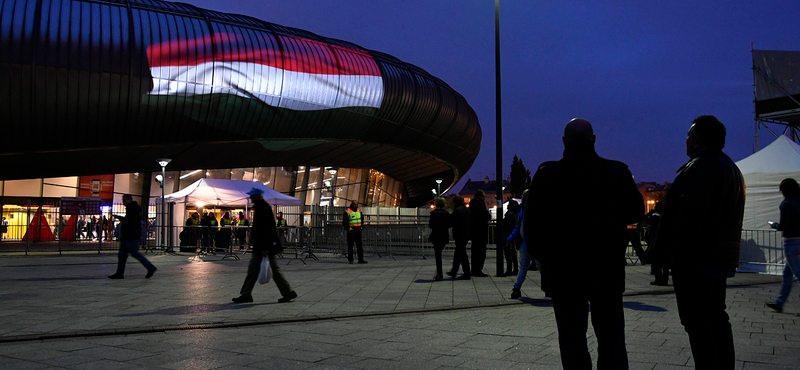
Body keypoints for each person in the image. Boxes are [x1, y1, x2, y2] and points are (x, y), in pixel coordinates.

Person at [524, 118, 643, 369]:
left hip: (564, 272)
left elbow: (532, 227)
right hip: (606, 269)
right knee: (612, 339)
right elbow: (635, 213)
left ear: (564, 141)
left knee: (571, 340)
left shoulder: (548, 176)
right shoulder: (617, 172)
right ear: (594, 139)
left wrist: (546, 259)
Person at [651, 115, 745, 369]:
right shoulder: (731, 168)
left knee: (698, 323)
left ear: (698, 140)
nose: (686, 139)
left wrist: (672, 253)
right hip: (718, 258)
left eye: (689, 135)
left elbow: (689, 219)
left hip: (697, 260)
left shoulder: (700, 168)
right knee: (716, 318)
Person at [232, 188, 297, 303]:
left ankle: (287, 292)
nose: (250, 197)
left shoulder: (263, 208)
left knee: (266, 270)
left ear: (257, 196)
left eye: (252, 195)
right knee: (258, 270)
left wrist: (264, 248)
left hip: (265, 246)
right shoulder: (261, 207)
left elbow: (266, 229)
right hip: (264, 246)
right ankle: (247, 294)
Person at [766, 178, 800, 313]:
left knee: (797, 274)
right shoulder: (798, 202)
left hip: (791, 241)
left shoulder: (786, 204)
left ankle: (780, 303)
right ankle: (779, 303)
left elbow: (783, 225)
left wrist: (774, 225)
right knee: (787, 273)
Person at [108, 194, 156, 279]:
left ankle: (150, 267)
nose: (123, 202)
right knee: (124, 255)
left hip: (130, 236)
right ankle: (120, 272)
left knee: (133, 253)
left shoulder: (132, 209)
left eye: (124, 200)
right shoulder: (133, 209)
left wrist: (119, 217)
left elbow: (130, 222)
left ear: (128, 200)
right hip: (129, 236)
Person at [508, 190, 533, 299]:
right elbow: (519, 226)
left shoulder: (524, 209)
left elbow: (519, 226)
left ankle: (517, 288)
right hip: (530, 241)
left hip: (528, 241)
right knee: (530, 265)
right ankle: (548, 290)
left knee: (523, 266)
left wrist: (511, 238)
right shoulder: (525, 209)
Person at [447, 196, 472, 280]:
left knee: (461, 253)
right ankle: (454, 270)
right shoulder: (467, 210)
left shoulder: (457, 211)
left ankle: (466, 273)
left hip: (459, 234)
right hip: (466, 234)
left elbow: (451, 222)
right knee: (458, 253)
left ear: (456, 202)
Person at [428, 197, 452, 281]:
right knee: (439, 253)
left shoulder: (434, 213)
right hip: (444, 235)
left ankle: (439, 273)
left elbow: (430, 225)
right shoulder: (447, 214)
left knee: (437, 255)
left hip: (436, 235)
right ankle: (439, 273)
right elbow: (449, 224)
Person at [469, 189, 491, 277]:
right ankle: (478, 269)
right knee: (481, 251)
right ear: (481, 196)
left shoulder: (472, 203)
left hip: (474, 230)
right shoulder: (480, 204)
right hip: (481, 230)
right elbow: (486, 215)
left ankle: (474, 269)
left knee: (475, 251)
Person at [646, 202, 669, 286]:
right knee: (665, 263)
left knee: (656, 262)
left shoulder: (654, 218)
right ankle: (665, 279)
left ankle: (658, 279)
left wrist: (651, 211)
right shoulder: (665, 218)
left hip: (656, 242)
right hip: (665, 242)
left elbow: (645, 219)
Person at [503, 199, 520, 276]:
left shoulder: (509, 214)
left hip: (508, 235)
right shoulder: (515, 214)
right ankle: (515, 269)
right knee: (513, 254)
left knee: (508, 254)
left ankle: (509, 270)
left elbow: (504, 224)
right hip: (513, 236)